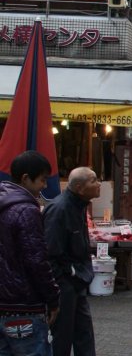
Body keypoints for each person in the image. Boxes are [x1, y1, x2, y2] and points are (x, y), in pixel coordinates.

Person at [0, 151, 60, 356]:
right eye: (42, 180)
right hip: (25, 306)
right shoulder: (26, 210)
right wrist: (53, 298)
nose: (44, 186)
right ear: (26, 178)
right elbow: (37, 261)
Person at [44, 166, 101, 356]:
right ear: (79, 187)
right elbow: (50, 252)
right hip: (65, 282)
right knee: (63, 336)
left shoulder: (79, 205)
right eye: (93, 180)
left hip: (77, 279)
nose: (98, 184)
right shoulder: (60, 209)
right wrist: (67, 276)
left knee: (84, 333)